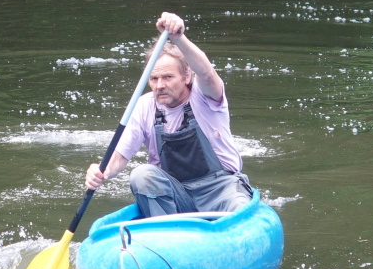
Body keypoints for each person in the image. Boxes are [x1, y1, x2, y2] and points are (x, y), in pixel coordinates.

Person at [85, 12, 253, 217]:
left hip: (222, 190)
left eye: (167, 77)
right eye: (154, 79)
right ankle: (169, 229)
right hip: (176, 195)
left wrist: (178, 37)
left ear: (187, 76)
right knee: (141, 175)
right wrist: (101, 172)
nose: (160, 85)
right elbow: (119, 157)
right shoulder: (144, 106)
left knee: (241, 209)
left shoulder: (205, 95)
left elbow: (207, 73)